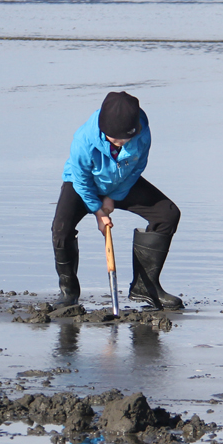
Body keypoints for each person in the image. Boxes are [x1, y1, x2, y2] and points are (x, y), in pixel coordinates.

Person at [52, 91, 181, 309]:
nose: (120, 143)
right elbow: (81, 178)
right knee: (61, 228)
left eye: (125, 138)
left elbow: (138, 167)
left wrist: (113, 197)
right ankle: (69, 291)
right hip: (84, 185)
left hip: (121, 184)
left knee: (168, 214)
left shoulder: (142, 133)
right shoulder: (84, 139)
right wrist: (98, 211)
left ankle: (145, 287)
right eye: (115, 139)